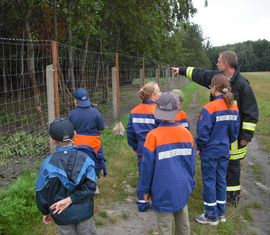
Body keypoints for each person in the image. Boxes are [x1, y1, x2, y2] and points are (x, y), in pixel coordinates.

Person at [171, 50, 259, 206]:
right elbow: (200, 74)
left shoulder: (243, 85)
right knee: (220, 169)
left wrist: (245, 137)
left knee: (232, 169)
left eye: (219, 62)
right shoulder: (217, 78)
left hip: (235, 140)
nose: (216, 64)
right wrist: (182, 70)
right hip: (218, 137)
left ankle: (231, 200)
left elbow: (251, 113)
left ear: (226, 64)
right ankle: (219, 199)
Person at [138, 92, 196, 234]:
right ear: (177, 110)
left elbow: (147, 168)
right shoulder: (186, 134)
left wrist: (144, 190)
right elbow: (192, 164)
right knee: (183, 225)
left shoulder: (153, 136)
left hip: (162, 189)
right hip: (182, 187)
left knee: (164, 227)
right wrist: (190, 183)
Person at [36, 118, 97, 235]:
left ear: (52, 140)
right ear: (74, 135)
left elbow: (41, 191)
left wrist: (44, 211)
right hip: (84, 212)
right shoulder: (86, 159)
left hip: (61, 214)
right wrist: (71, 199)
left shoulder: (47, 165)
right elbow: (91, 187)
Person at [195, 74, 240, 225]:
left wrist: (199, 147)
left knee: (209, 181)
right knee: (221, 179)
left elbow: (203, 133)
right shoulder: (233, 107)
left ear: (213, 88)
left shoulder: (209, 108)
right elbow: (234, 133)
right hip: (224, 150)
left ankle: (210, 215)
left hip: (210, 151)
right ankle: (221, 212)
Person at [127, 81, 161, 212]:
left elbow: (130, 131)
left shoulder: (134, 111)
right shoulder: (158, 110)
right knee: (157, 172)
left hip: (142, 146)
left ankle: (142, 202)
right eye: (158, 91)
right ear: (153, 95)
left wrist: (134, 147)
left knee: (143, 173)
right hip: (156, 147)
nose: (160, 93)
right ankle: (155, 201)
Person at [68, 88, 107, 194]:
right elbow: (101, 129)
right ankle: (94, 183)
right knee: (96, 159)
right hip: (93, 146)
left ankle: (78, 183)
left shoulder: (72, 114)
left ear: (75, 101)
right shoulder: (95, 112)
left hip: (77, 146)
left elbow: (70, 132)